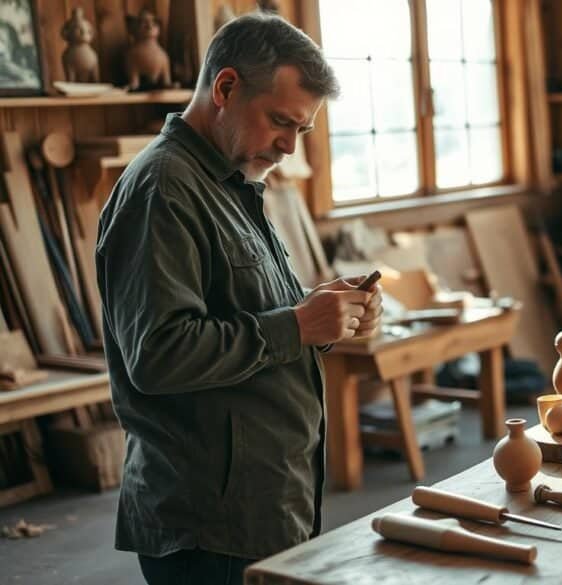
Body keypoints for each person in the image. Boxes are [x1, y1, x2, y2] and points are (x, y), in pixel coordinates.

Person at [96, 13, 381, 585]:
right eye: (280, 121)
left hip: (266, 503)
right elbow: (158, 354)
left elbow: (244, 309)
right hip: (211, 523)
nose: (288, 144)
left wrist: (321, 310)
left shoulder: (232, 182)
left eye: (301, 130)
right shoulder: (163, 188)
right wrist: (297, 326)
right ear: (225, 88)